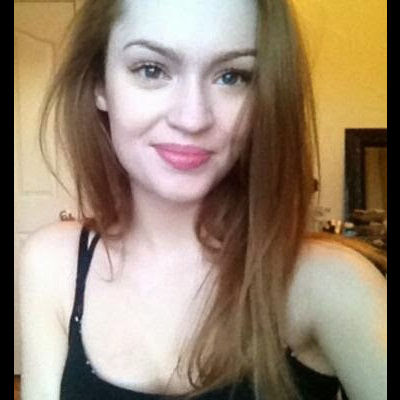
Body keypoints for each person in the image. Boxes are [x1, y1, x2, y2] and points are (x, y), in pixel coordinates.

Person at [19, 0, 387, 399]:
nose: (193, 119)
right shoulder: (52, 264)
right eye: (151, 70)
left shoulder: (331, 284)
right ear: (98, 85)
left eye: (232, 76)